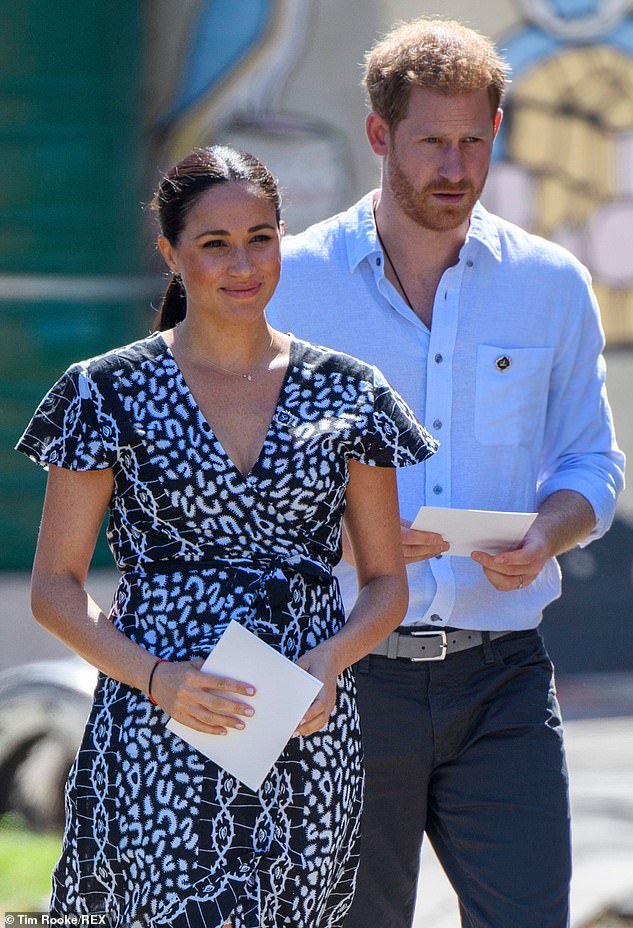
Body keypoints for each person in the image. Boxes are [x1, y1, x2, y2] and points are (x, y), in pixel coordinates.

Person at [15, 146, 438, 927]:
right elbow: (54, 589)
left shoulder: (351, 389)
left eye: (261, 237)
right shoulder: (103, 391)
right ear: (171, 254)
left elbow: (385, 583)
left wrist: (328, 662)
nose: (242, 264)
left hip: (305, 734)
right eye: (214, 243)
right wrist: (155, 678)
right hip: (158, 727)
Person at [266, 17, 626, 928]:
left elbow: (592, 459)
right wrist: (347, 534)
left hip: (500, 677)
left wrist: (548, 531)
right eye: (433, 142)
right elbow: (228, 479)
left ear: (497, 130)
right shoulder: (289, 284)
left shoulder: (549, 283)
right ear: (379, 134)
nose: (456, 167)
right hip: (339, 676)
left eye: (473, 140)